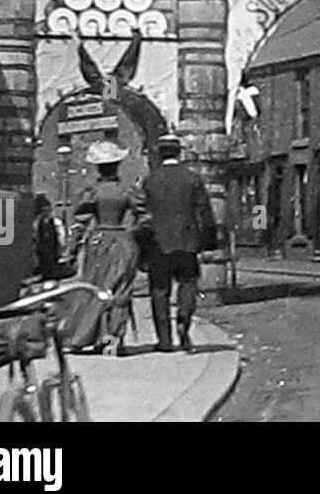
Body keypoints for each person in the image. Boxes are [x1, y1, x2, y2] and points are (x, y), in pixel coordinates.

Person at [64, 141, 142, 355]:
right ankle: (111, 344)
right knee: (118, 294)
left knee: (94, 291)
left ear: (98, 167)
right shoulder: (127, 190)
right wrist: (131, 232)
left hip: (97, 243)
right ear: (117, 165)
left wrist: (70, 251)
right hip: (122, 242)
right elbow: (145, 218)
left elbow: (78, 224)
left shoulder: (92, 192)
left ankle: (86, 337)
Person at [139, 133, 215, 352]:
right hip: (187, 243)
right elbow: (205, 212)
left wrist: (144, 248)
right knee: (188, 283)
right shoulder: (192, 178)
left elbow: (142, 215)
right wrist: (207, 242)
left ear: (160, 153)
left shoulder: (150, 180)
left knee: (159, 291)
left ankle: (164, 340)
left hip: (158, 245)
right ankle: (183, 319)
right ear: (179, 152)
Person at [32, 193, 70, 282]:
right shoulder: (38, 224)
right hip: (43, 259)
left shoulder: (54, 222)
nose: (48, 210)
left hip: (50, 258)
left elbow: (61, 241)